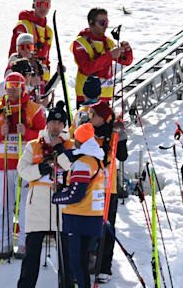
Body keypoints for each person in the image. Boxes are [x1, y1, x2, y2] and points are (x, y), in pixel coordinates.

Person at [0, 71, 47, 260]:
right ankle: (5, 243)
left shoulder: (34, 109)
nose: (11, 91)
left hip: (25, 164)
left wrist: (27, 132)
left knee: (25, 206)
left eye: (15, 87)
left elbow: (43, 136)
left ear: (22, 88)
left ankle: (23, 243)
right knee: (3, 205)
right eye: (8, 87)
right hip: (2, 163)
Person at [16, 102, 73, 288]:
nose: (56, 126)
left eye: (60, 123)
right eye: (52, 122)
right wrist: (42, 167)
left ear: (64, 126)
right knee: (31, 255)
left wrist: (60, 151)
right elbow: (22, 170)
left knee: (66, 255)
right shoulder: (34, 145)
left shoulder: (70, 145)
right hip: (38, 204)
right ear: (46, 124)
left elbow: (73, 168)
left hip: (62, 203)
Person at [51, 122, 108, 288]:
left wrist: (57, 197)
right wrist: (64, 188)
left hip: (79, 219)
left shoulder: (83, 163)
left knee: (76, 264)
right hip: (92, 218)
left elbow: (75, 195)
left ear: (79, 141)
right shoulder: (96, 159)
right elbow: (81, 187)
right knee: (81, 263)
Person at [83, 102, 127, 283]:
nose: (90, 117)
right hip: (90, 187)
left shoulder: (113, 133)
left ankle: (104, 267)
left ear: (103, 117)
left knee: (107, 227)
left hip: (109, 187)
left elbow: (122, 156)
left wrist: (120, 136)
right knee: (86, 226)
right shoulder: (87, 130)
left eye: (94, 114)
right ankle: (83, 263)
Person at [71, 8, 133, 106]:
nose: (106, 26)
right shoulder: (80, 43)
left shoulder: (108, 42)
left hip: (105, 97)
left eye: (107, 22)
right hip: (87, 98)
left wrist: (127, 50)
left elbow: (126, 62)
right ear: (91, 23)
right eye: (102, 22)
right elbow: (87, 68)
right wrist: (109, 56)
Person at [9, 0, 55, 80]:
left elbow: (46, 60)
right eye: (39, 4)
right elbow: (14, 53)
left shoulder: (48, 31)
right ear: (33, 5)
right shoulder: (23, 25)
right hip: (25, 78)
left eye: (46, 4)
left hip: (41, 81)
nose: (43, 7)